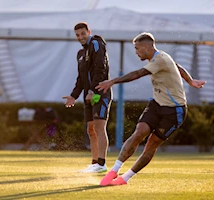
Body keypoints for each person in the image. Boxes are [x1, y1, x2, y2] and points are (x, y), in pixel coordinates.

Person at [96, 32, 206, 186]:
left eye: (137, 48)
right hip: (156, 104)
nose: (136, 52)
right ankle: (114, 170)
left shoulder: (160, 59)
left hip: (174, 111)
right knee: (138, 133)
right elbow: (178, 67)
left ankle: (124, 178)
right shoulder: (161, 57)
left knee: (151, 144)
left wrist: (112, 81)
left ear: (147, 47)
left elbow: (138, 74)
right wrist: (191, 81)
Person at [63, 22, 113, 173]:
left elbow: (100, 68)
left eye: (83, 34)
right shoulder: (80, 54)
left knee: (99, 127)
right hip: (88, 95)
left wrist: (93, 90)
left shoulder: (97, 44)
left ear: (88, 32)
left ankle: (102, 164)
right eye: (77, 35)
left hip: (99, 93)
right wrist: (73, 96)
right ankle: (94, 162)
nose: (80, 37)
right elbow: (81, 78)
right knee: (91, 129)